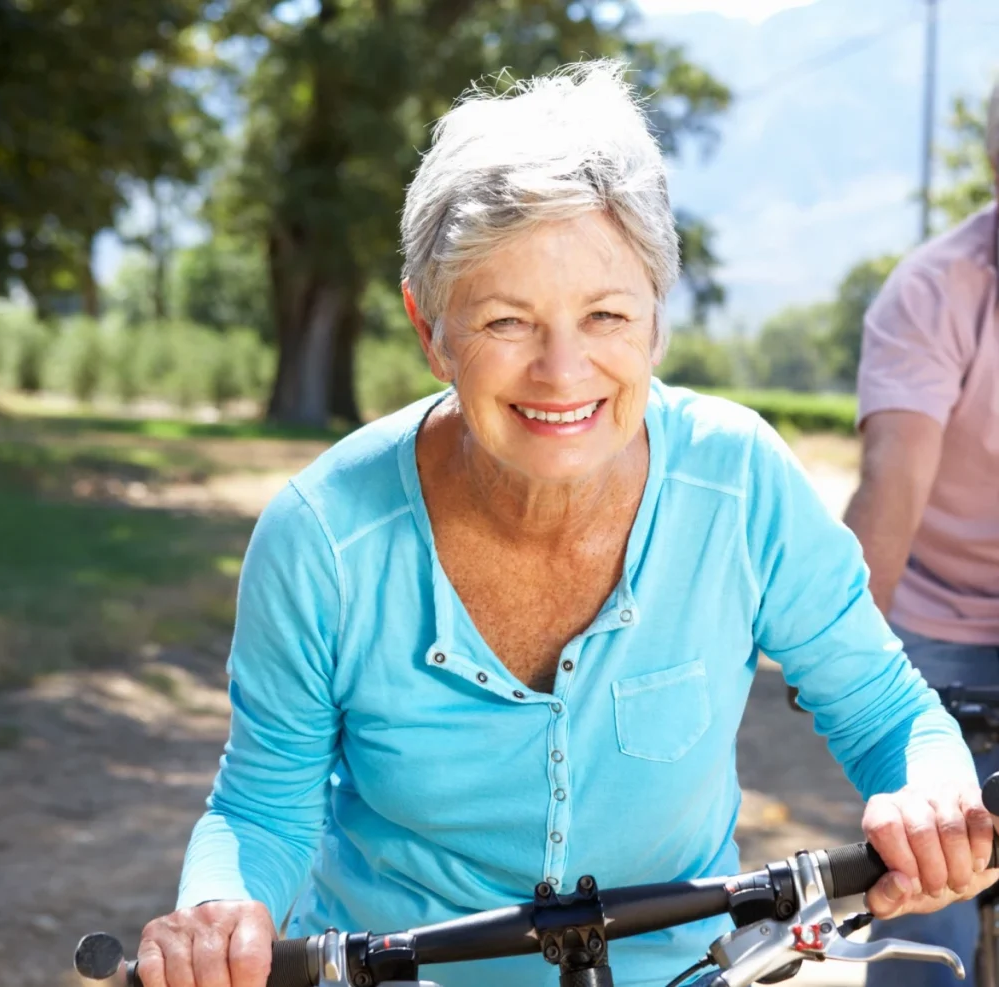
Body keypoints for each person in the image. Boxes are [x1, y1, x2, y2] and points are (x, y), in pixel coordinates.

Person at [139, 62, 997, 987]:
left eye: (606, 315)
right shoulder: (321, 539)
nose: (563, 370)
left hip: (683, 971)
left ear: (657, 320)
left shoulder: (739, 481)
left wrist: (926, 786)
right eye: (508, 320)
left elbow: (884, 707)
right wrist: (217, 910)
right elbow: (264, 806)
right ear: (430, 330)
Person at [844, 80, 999, 987]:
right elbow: (892, 484)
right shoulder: (938, 290)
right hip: (934, 615)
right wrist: (849, 664)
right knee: (925, 877)